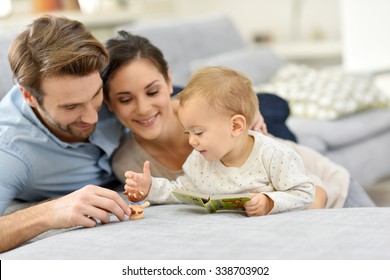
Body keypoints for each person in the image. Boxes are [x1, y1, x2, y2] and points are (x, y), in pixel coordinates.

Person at [104, 31, 367, 211]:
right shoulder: (129, 164)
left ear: (169, 81)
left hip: (329, 191)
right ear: (109, 103)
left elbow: (312, 194)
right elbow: (179, 194)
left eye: (153, 91)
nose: (143, 108)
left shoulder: (222, 116)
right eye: (125, 99)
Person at [0, 15, 131, 253]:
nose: (92, 118)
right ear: (29, 97)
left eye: (95, 96)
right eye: (71, 107)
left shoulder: (110, 78)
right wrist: (49, 211)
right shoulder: (9, 148)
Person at [124, 66, 316, 215]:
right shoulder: (199, 161)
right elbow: (181, 190)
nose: (191, 141)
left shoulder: (274, 155)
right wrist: (150, 187)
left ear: (235, 126)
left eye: (198, 132)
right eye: (187, 133)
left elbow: (304, 193)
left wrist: (268, 202)